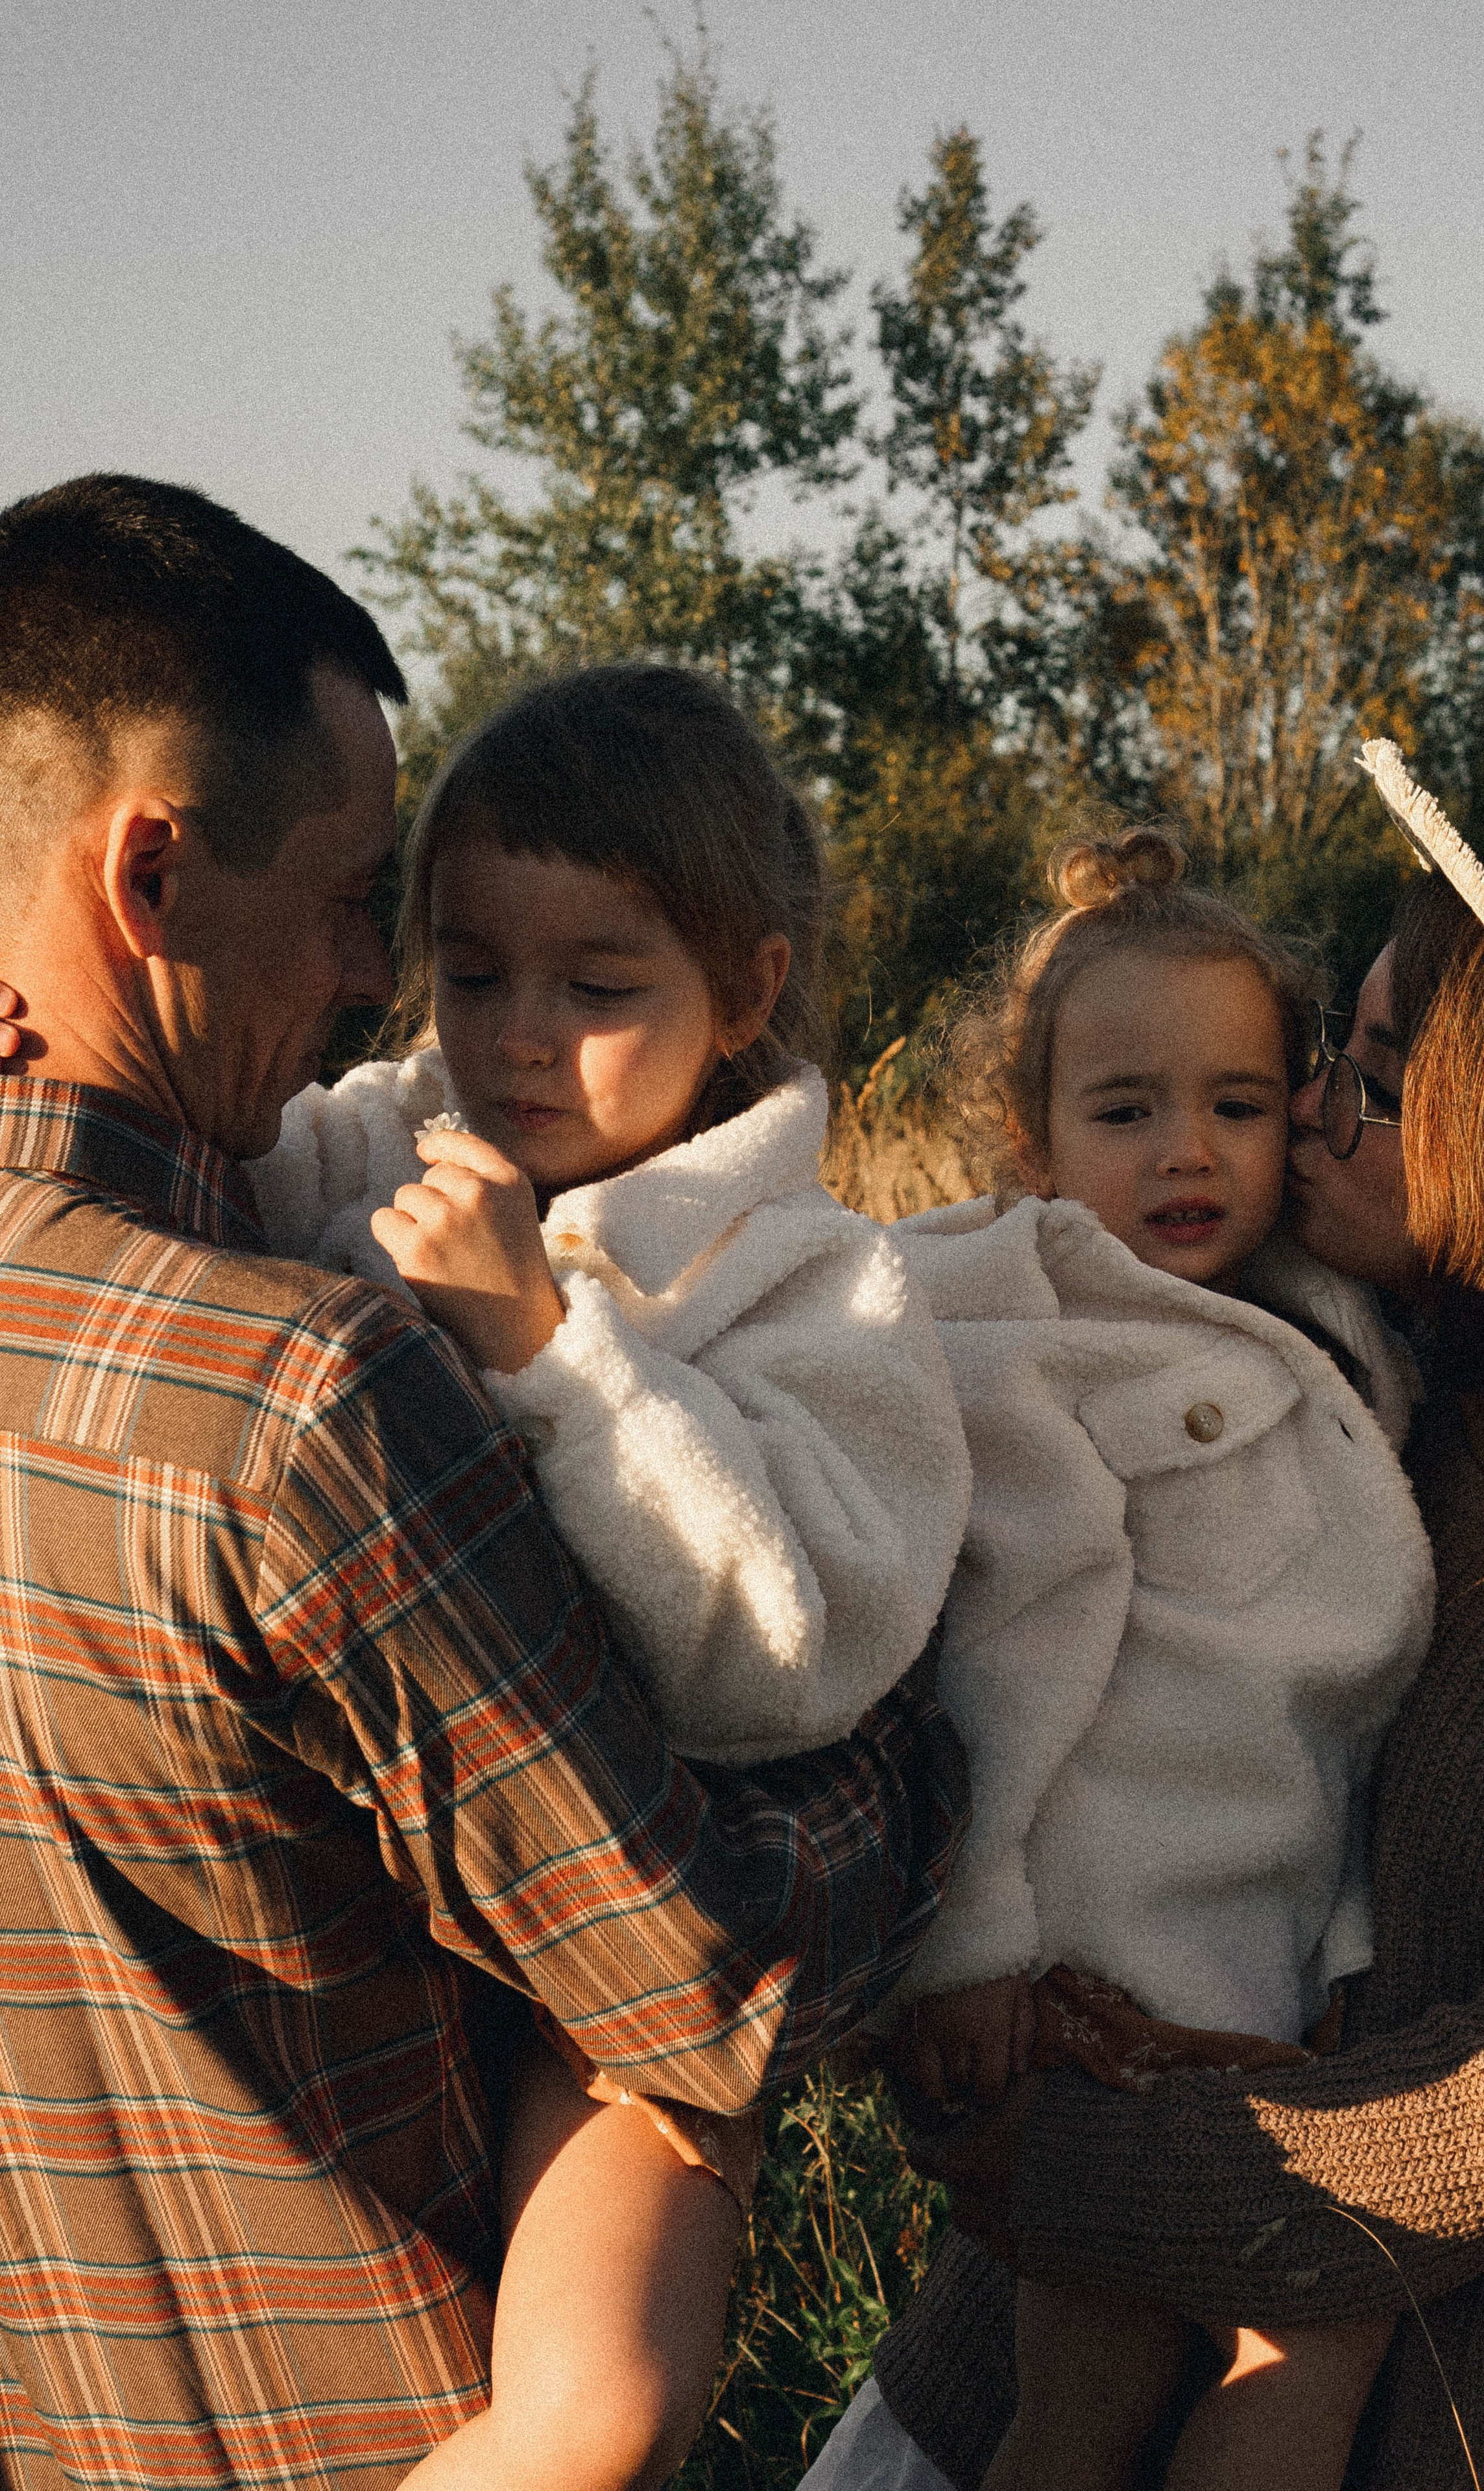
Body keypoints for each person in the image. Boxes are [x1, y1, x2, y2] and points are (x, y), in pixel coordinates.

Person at [0, 473, 967, 2491]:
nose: (385, 986)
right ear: (151, 875)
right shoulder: (289, 1399)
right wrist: (922, 1769)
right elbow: (694, 1964)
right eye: (385, 917)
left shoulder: (256, 1259)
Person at [807, 749, 1484, 2491]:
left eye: (1369, 1078)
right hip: (1041, 2329)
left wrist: (1105, 2169)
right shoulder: (1344, 1387)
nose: (1307, 1121)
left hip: (1442, 2394)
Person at [242, 663, 974, 2489]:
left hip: (621, 1959)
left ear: (747, 989)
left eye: (599, 988)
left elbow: (783, 1657)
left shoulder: (819, 1282)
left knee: (600, 2410)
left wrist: (553, 1353)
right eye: (475, 973)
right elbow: (198, 1172)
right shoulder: (381, 1138)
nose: (518, 1039)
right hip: (362, 1885)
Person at [865, 828, 1432, 2489]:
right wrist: (964, 1945)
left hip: (1256, 1962)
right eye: (1125, 1113)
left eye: (1239, 1107)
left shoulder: (1305, 1312)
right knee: (1108, 2386)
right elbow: (978, 1657)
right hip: (1099, 1979)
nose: (1188, 1151)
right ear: (1029, 1148)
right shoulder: (1029, 1344)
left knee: (1277, 2348)